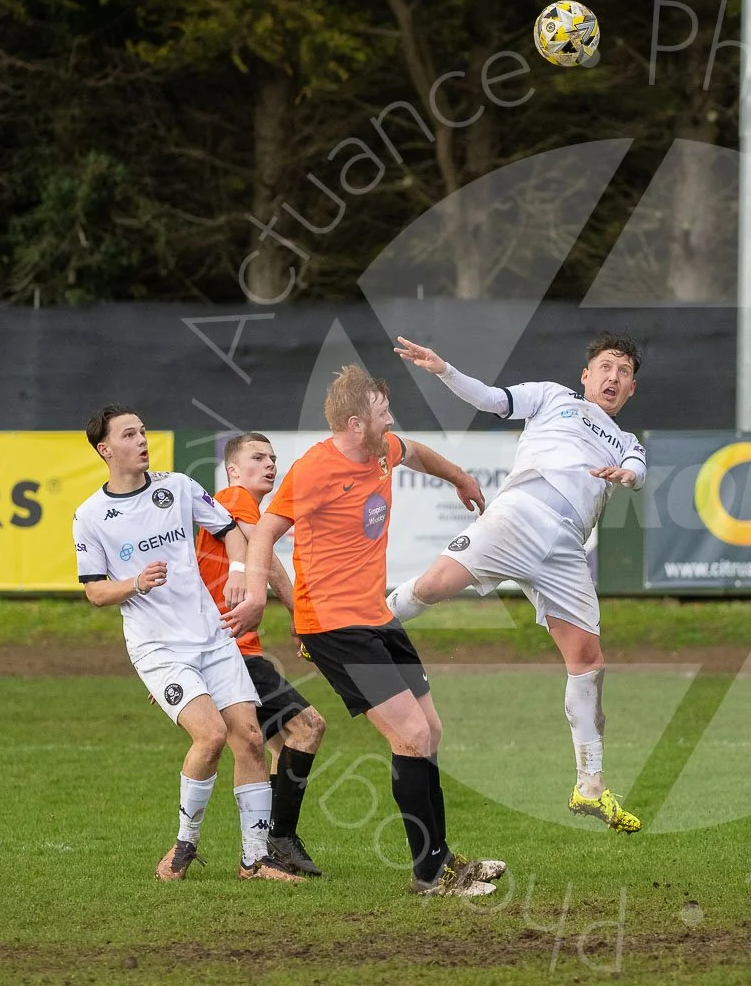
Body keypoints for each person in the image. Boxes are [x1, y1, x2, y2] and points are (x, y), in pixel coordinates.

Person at [224, 365, 506, 896]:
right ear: (356, 422)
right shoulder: (313, 471)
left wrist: (462, 479)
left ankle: (442, 859)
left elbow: (416, 451)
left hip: (376, 616)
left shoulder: (380, 450)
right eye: (382, 411)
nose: (391, 419)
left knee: (430, 733)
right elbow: (264, 532)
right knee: (411, 735)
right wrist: (257, 591)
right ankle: (429, 875)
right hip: (334, 625)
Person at [386, 332, 647, 835]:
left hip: (567, 547)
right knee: (435, 586)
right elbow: (490, 398)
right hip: (522, 514)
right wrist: (444, 369)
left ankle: (590, 785)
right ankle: (346, 625)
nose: (613, 377)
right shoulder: (553, 397)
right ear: (586, 375)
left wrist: (626, 476)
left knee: (588, 662)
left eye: (624, 372)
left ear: (631, 388)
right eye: (606, 367)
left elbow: (637, 471)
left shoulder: (627, 443)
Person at [72, 404, 301, 883]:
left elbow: (231, 533)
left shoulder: (176, 487)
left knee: (252, 738)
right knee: (211, 735)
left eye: (142, 430)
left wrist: (238, 573)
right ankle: (185, 844)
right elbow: (94, 590)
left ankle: (255, 860)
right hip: (159, 648)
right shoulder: (91, 516)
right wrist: (135, 582)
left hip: (213, 638)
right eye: (129, 434)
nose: (141, 439)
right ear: (105, 449)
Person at [196, 431, 328, 877]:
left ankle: (266, 847)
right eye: (257, 457)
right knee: (307, 727)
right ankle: (279, 839)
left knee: (277, 743)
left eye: (273, 458)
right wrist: (300, 612)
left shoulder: (237, 506)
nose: (270, 464)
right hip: (230, 650)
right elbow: (263, 555)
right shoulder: (234, 497)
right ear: (233, 469)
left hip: (229, 648)